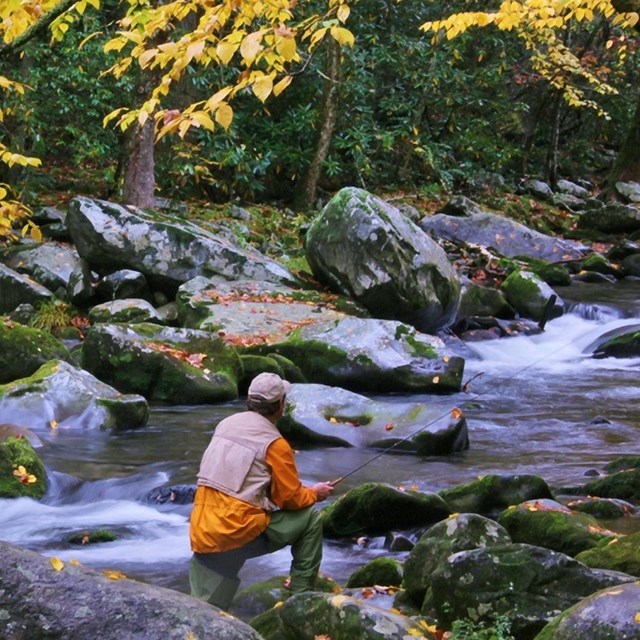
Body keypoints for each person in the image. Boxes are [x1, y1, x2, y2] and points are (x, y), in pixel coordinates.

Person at [189, 372, 335, 610]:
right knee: (310, 518)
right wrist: (315, 493)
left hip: (202, 529)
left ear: (249, 400)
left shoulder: (225, 425)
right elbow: (289, 500)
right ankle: (301, 598)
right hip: (236, 532)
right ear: (280, 405)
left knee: (205, 613)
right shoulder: (276, 444)